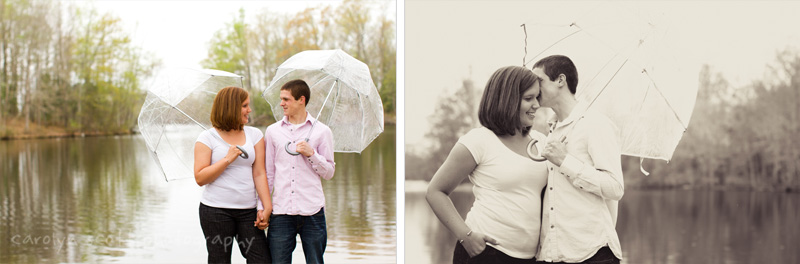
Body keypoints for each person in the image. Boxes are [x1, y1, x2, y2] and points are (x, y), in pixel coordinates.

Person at [426, 66, 549, 264]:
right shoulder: (479, 140)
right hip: (485, 253)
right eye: (529, 98)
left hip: (531, 257)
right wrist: (466, 236)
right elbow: (435, 191)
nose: (536, 105)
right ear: (507, 100)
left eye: (538, 98)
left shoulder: (541, 141)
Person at [531, 55, 624, 264]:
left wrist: (566, 161)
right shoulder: (552, 131)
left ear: (560, 80)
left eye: (539, 80)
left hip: (592, 253)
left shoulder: (596, 124)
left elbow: (615, 188)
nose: (534, 87)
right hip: (552, 253)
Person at [193, 86, 272, 263]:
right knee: (219, 260)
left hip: (248, 212)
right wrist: (227, 159)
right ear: (231, 107)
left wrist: (267, 207)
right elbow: (200, 178)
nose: (249, 110)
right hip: (215, 211)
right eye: (245, 106)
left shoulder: (255, 134)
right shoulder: (206, 138)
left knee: (261, 259)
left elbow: (259, 173)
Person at [261, 79, 335, 264]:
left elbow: (329, 172)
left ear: (301, 100)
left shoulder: (322, 132)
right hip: (281, 212)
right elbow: (268, 174)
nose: (281, 103)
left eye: (286, 99)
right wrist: (262, 207)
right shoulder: (272, 132)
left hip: (313, 211)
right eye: (281, 99)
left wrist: (312, 154)